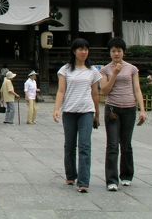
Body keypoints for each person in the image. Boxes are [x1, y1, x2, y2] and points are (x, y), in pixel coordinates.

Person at [53, 38, 101, 193]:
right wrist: (57, 109)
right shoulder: (65, 69)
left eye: (86, 49)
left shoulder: (93, 71)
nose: (84, 52)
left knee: (85, 145)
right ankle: (71, 175)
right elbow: (61, 91)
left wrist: (97, 114)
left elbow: (95, 93)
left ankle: (83, 181)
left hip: (86, 111)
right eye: (80, 49)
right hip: (69, 111)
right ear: (74, 51)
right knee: (70, 145)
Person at [99, 38, 147, 191]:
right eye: (113, 51)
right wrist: (115, 73)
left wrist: (142, 109)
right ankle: (111, 180)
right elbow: (104, 91)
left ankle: (126, 175)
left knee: (126, 144)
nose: (116, 53)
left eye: (119, 50)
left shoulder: (132, 69)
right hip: (112, 109)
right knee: (112, 145)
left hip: (129, 108)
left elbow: (137, 89)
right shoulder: (105, 70)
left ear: (123, 52)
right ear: (110, 53)